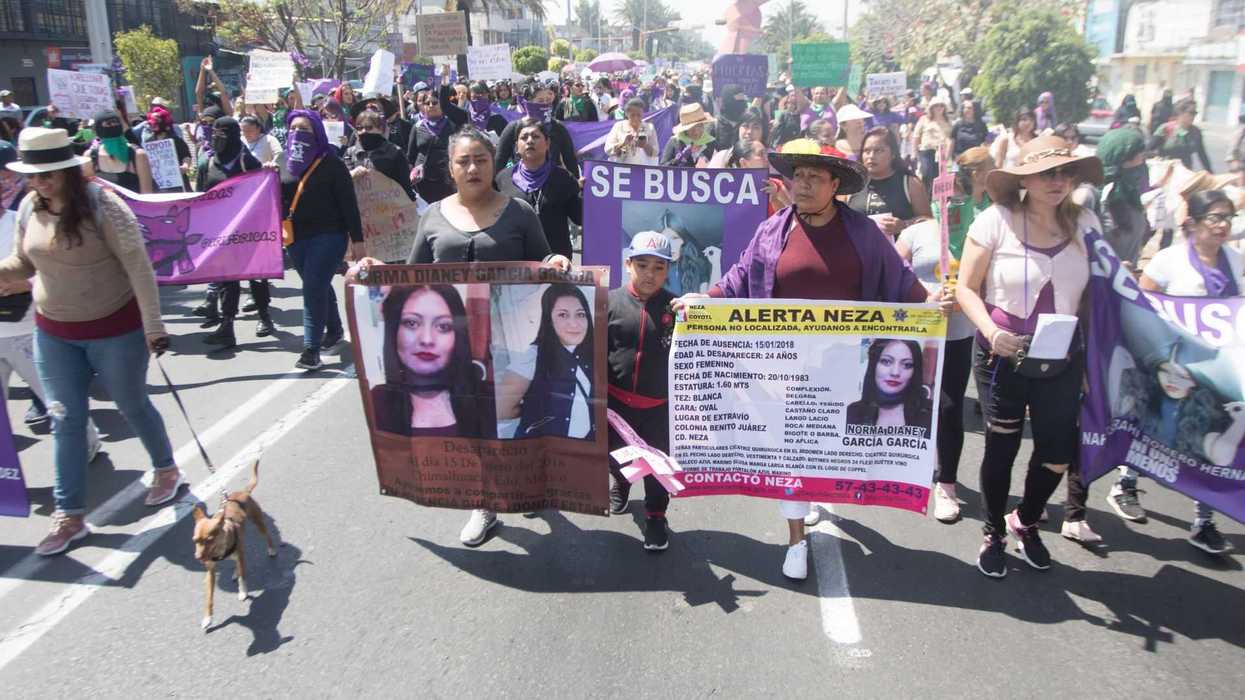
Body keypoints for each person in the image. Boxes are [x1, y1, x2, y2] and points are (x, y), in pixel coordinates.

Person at [672, 138, 949, 581]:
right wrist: (701, 302)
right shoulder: (771, 231)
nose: (801, 185)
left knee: (825, 449)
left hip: (847, 368)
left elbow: (901, 284)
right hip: (785, 365)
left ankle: (818, 494)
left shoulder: (864, 233)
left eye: (813, 178)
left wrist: (931, 301)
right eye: (797, 177)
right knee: (792, 452)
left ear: (835, 185)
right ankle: (796, 540)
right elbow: (737, 280)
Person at [349, 128, 570, 548]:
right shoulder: (433, 215)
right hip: (458, 347)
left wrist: (553, 260)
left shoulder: (519, 211)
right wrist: (377, 271)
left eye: (481, 160)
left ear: (493, 163)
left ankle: (527, 482)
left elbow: (544, 260)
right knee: (475, 422)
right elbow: (413, 278)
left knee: (516, 418)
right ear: (449, 168)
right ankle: (483, 505)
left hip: (514, 339)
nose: (473, 168)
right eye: (463, 161)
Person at [1, 128, 183, 556]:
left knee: (131, 404)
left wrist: (153, 325)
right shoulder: (29, 207)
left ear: (66, 169)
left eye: (47, 174)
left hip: (115, 329)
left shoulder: (105, 205)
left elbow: (138, 266)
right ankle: (71, 515)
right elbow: (22, 261)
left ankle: (165, 469)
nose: (38, 183)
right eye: (32, 175)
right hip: (54, 332)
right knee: (64, 418)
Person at [955, 135, 1104, 578]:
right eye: (1047, 173)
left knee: (1057, 451)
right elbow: (965, 287)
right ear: (1025, 178)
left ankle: (1026, 519)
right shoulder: (995, 220)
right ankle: (993, 532)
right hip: (1003, 352)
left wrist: (1091, 362)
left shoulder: (1088, 223)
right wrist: (991, 331)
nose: (1058, 181)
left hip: (1064, 355)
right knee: (1001, 446)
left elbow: (1098, 299)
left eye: (1066, 172)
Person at [1106, 189, 1242, 555]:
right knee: (1153, 425)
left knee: (1210, 438)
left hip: (1216, 370)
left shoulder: (1236, 260)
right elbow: (1141, 306)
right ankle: (1126, 483)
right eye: (1214, 217)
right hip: (1172, 364)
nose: (1222, 225)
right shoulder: (1169, 261)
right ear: (1193, 224)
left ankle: (1204, 521)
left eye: (1228, 217)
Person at [894, 149, 988, 522]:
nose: (950, 204)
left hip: (959, 334)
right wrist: (924, 296)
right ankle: (904, 471)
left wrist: (963, 298)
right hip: (917, 335)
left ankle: (946, 483)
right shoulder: (917, 232)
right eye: (944, 197)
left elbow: (989, 281)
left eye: (958, 198)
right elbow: (893, 271)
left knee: (949, 409)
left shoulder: (978, 234)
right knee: (907, 405)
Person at [607, 230, 678, 551]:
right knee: (616, 455)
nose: (650, 274)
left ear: (668, 270)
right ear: (628, 264)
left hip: (658, 408)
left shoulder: (677, 310)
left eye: (659, 267)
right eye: (642, 265)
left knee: (656, 467)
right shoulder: (607, 303)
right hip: (615, 405)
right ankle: (620, 484)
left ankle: (655, 517)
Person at [281, 110, 364, 371]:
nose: (297, 134)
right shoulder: (283, 161)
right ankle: (335, 328)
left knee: (313, 286)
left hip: (330, 235)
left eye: (304, 129)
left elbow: (349, 204)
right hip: (296, 238)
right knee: (315, 283)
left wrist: (358, 240)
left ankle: (310, 349)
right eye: (293, 128)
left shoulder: (332, 162)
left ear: (317, 131)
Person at [370, 285, 493, 438]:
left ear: (458, 336)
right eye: (412, 323)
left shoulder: (489, 401)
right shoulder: (375, 402)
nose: (427, 340)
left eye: (443, 326)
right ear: (393, 330)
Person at [195, 116, 273, 346]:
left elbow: (261, 192)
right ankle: (227, 324)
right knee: (227, 278)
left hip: (247, 230)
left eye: (224, 133)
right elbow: (200, 197)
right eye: (215, 133)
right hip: (220, 231)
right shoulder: (207, 162)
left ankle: (265, 317)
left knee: (256, 275)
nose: (218, 138)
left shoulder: (246, 161)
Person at [497, 283, 595, 439]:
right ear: (549, 319)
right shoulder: (532, 356)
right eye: (563, 315)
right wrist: (536, 409)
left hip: (584, 451)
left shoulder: (592, 353)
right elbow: (502, 408)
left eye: (580, 314)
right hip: (544, 454)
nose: (574, 323)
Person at [494, 117, 582, 259]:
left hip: (556, 263)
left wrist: (585, 193)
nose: (530, 141)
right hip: (515, 265)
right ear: (517, 147)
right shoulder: (502, 180)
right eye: (524, 137)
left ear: (547, 144)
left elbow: (580, 218)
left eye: (536, 136)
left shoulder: (564, 178)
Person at [846, 126, 931, 240]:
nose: (871, 156)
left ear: (893, 154)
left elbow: (929, 221)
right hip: (859, 255)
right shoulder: (851, 185)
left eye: (878, 151)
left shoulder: (910, 183)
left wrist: (904, 225)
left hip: (900, 254)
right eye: (866, 151)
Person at [845, 338, 934, 433]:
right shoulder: (853, 412)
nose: (895, 372)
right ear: (873, 366)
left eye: (907, 365)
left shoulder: (930, 412)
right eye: (886, 361)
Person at [495, 81, 579, 178]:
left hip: (553, 184)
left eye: (548, 100)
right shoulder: (513, 128)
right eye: (540, 101)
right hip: (519, 184)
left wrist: (577, 185)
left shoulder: (558, 127)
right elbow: (499, 161)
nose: (545, 104)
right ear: (529, 102)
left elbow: (570, 160)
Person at [1095, 126, 1151, 268]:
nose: (1142, 166)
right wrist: (1113, 266)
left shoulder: (1131, 196)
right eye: (1138, 159)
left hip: (1125, 284)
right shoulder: (1092, 197)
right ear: (1121, 160)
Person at [407, 78, 468, 204]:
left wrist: (444, 81)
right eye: (427, 103)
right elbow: (411, 155)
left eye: (435, 103)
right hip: (424, 181)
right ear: (422, 107)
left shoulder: (453, 124)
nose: (431, 106)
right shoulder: (417, 127)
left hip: (448, 179)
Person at [347, 109, 415, 200]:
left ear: (379, 129)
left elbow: (405, 186)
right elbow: (343, 182)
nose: (363, 131)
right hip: (362, 209)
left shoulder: (394, 152)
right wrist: (352, 174)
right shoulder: (350, 153)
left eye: (368, 128)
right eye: (359, 128)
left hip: (391, 207)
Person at [83, 109, 154, 193]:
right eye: (108, 123)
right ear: (97, 129)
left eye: (116, 122)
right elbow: (90, 193)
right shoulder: (90, 157)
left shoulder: (138, 155)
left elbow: (147, 194)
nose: (113, 126)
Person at [1151, 99, 1214, 172]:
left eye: (1195, 113)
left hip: (1185, 173)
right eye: (1191, 113)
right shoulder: (1166, 128)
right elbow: (1148, 149)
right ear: (1180, 112)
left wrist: (1210, 173)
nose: (1194, 116)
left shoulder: (1196, 132)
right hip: (1164, 172)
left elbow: (1202, 155)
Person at [141, 105, 192, 191]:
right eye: (151, 121)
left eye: (157, 121)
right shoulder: (148, 142)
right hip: (159, 186)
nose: (153, 123)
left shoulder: (176, 140)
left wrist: (185, 166)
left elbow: (186, 155)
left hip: (179, 183)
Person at [913, 96, 953, 188]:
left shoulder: (948, 121)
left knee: (939, 177)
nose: (939, 108)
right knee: (926, 174)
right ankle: (925, 197)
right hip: (927, 151)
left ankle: (937, 200)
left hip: (942, 152)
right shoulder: (924, 119)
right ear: (931, 108)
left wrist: (948, 154)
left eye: (941, 106)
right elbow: (916, 136)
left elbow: (951, 138)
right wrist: (915, 153)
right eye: (936, 106)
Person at [605, 98, 658, 166]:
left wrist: (645, 145)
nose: (636, 118)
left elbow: (655, 152)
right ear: (627, 114)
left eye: (639, 115)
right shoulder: (618, 126)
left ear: (642, 113)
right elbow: (608, 149)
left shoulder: (650, 127)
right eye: (632, 115)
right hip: (621, 169)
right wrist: (623, 143)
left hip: (643, 169)